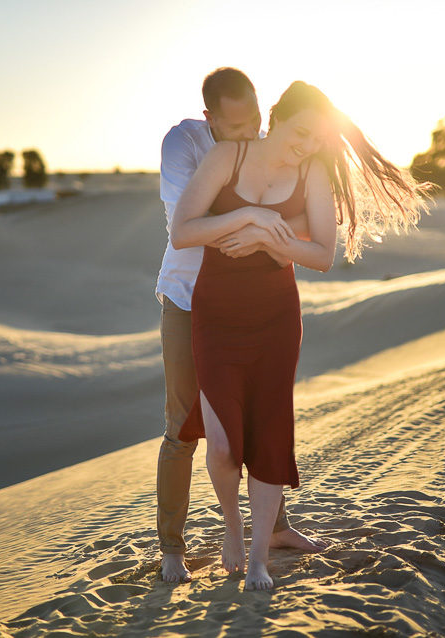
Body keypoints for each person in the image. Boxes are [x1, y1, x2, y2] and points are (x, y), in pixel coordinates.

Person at [167, 79, 429, 590]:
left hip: (275, 320)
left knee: (268, 434)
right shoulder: (227, 159)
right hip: (216, 316)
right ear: (277, 118)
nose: (308, 146)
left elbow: (324, 255)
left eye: (318, 140)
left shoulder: (311, 172)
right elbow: (183, 231)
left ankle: (260, 558)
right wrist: (249, 213)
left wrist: (268, 237)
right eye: (302, 133)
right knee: (220, 446)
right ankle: (231, 527)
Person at [155, 67, 325, 585]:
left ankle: (273, 529)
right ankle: (171, 549)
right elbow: (188, 224)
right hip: (190, 300)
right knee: (186, 428)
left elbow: (301, 228)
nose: (248, 130)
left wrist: (272, 228)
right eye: (235, 125)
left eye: (255, 118)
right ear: (210, 120)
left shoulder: (270, 150)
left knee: (259, 421)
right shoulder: (186, 145)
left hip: (256, 302)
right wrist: (257, 222)